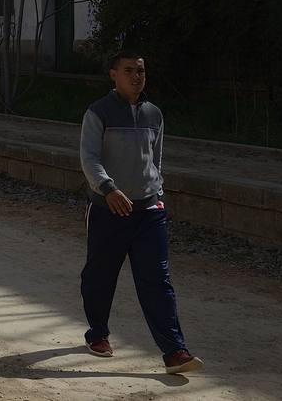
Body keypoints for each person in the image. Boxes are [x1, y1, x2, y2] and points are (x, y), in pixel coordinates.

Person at [80, 50, 203, 375]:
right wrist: (108, 189)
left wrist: (157, 193)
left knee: (157, 282)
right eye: (129, 70)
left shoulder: (154, 114)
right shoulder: (98, 112)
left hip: (149, 212)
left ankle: (175, 352)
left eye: (141, 71)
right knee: (100, 276)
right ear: (113, 75)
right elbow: (89, 158)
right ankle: (98, 334)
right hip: (109, 211)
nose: (137, 76)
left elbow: (156, 159)